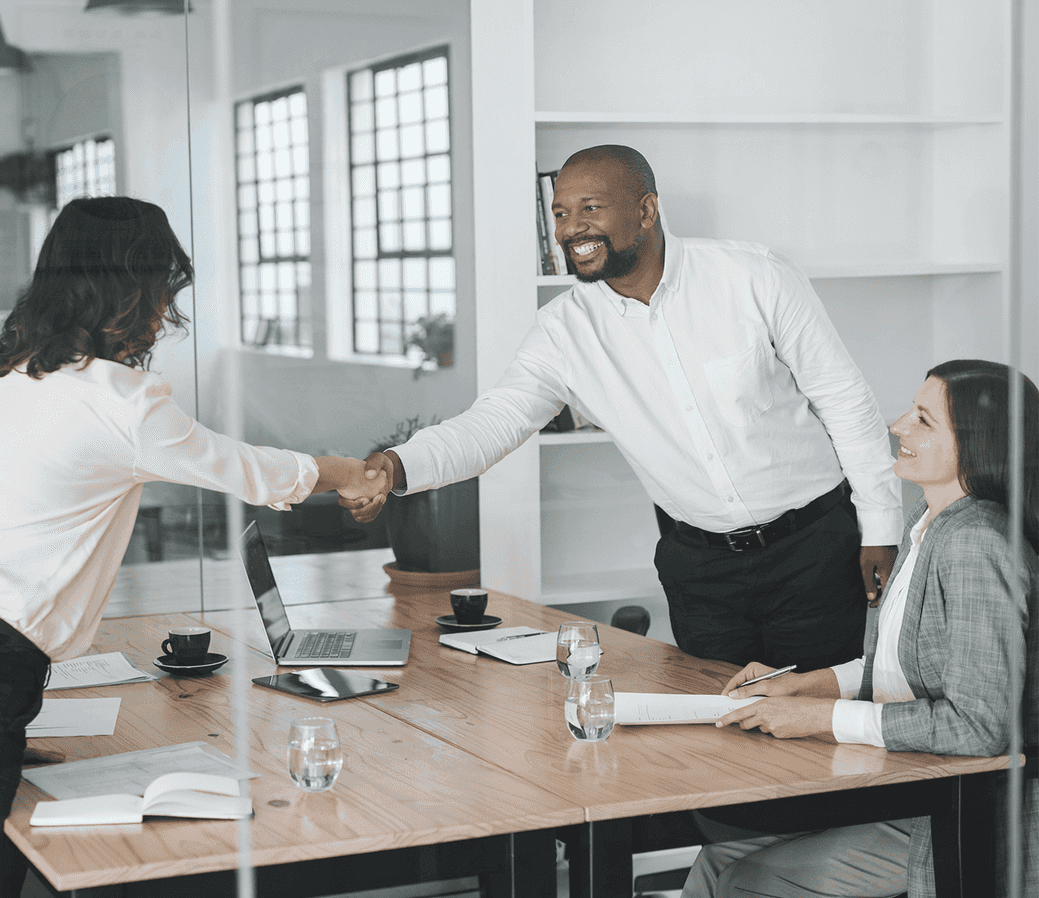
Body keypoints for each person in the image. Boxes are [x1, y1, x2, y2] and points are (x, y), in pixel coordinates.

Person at [0, 196, 391, 898]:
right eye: (163, 288)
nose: (167, 309)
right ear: (127, 286)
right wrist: (339, 471)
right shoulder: (121, 402)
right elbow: (245, 468)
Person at [352, 144, 901, 671]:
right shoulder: (564, 331)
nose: (570, 230)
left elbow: (844, 399)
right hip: (700, 570)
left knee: (820, 729)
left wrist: (881, 522)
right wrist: (398, 465)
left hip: (814, 551)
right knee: (724, 739)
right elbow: (493, 423)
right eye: (561, 213)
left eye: (590, 209)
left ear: (646, 209)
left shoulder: (754, 277)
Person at [662, 359, 1038, 898]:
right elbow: (897, 667)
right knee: (720, 859)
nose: (897, 426)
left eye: (922, 420)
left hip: (957, 814)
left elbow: (979, 726)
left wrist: (821, 719)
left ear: (977, 445)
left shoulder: (976, 545)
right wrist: (799, 688)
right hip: (905, 786)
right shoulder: (931, 526)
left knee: (748, 893)